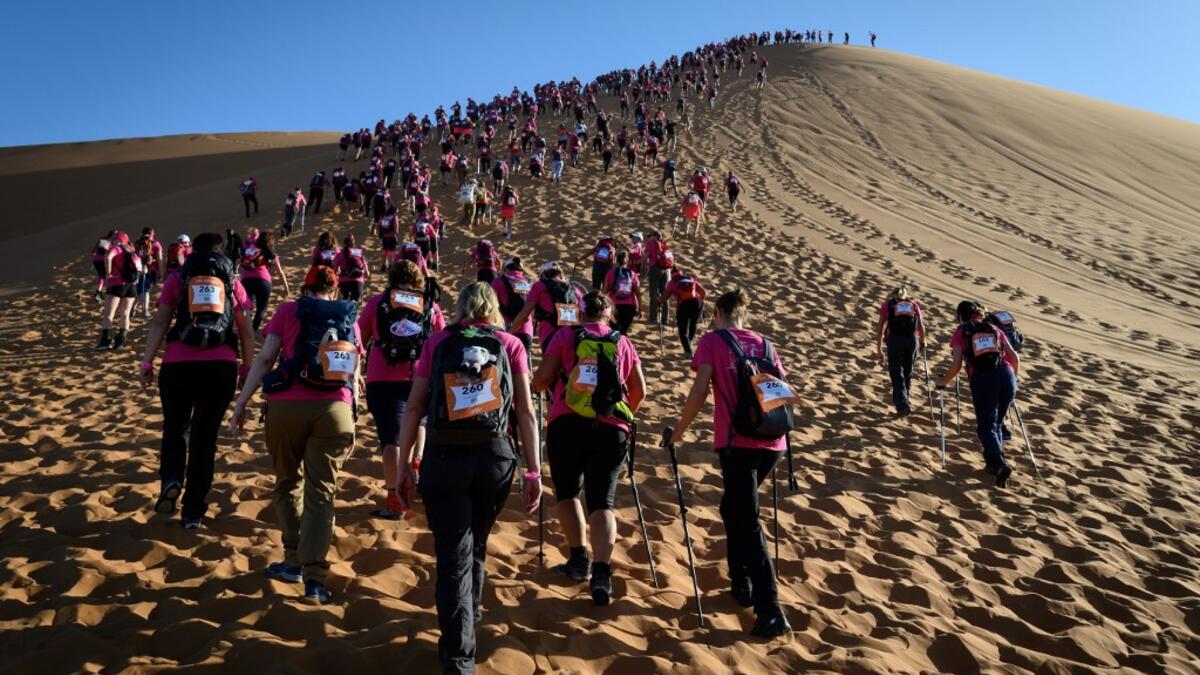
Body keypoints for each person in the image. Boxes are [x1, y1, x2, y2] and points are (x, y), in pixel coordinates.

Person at [392, 282, 541, 674]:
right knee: (475, 540)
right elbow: (525, 413)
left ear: (460, 308)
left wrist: (404, 465)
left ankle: (459, 655)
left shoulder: (439, 343)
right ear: (492, 309)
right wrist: (533, 468)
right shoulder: (511, 345)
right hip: (494, 457)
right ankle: (469, 616)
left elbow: (414, 408)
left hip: (444, 456)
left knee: (453, 554)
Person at [664, 289, 794, 638]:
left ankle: (769, 607)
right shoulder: (766, 345)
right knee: (732, 507)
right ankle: (741, 582)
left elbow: (700, 389)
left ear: (719, 311)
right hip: (773, 441)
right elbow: (781, 392)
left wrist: (679, 431)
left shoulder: (712, 340)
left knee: (748, 519)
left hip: (737, 443)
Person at [230, 265, 364, 604]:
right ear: (335, 290)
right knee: (322, 494)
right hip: (335, 411)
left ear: (305, 288)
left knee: (288, 482)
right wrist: (354, 414)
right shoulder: (348, 316)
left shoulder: (289, 310)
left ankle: (292, 561)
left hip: (286, 408)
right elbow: (354, 370)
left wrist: (242, 401)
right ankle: (315, 579)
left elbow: (264, 358)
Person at [532, 292, 645, 605]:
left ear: (580, 314)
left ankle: (578, 559)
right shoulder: (623, 342)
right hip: (612, 430)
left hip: (567, 424)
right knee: (602, 501)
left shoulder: (565, 336)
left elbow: (542, 380)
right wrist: (621, 414)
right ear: (608, 314)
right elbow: (639, 391)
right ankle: (602, 572)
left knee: (568, 493)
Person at [139, 232, 255, 528]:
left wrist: (147, 361)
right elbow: (245, 331)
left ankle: (172, 479)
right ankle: (193, 513)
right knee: (205, 439)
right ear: (222, 254)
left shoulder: (178, 280)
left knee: (175, 427)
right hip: (221, 365)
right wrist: (247, 369)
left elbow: (161, 321)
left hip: (178, 363)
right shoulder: (233, 284)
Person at [358, 260, 445, 518]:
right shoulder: (430, 304)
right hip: (421, 375)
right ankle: (415, 468)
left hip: (382, 376)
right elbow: (440, 340)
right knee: (419, 421)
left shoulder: (377, 302)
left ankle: (395, 501)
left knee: (390, 438)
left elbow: (360, 338)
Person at [936, 301, 1020, 487]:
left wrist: (943, 382)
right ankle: (993, 463)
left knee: (986, 426)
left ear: (960, 316)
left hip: (983, 380)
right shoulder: (993, 327)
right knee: (997, 422)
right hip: (1007, 376)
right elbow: (1014, 357)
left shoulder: (961, 332)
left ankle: (998, 464)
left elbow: (956, 365)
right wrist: (1014, 379)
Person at [873, 288, 926, 417]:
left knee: (896, 372)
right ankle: (905, 401)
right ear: (905, 295)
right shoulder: (913, 304)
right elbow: (921, 326)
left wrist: (879, 349)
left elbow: (880, 329)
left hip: (895, 339)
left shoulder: (887, 305)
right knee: (908, 371)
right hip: (912, 339)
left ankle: (902, 404)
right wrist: (923, 342)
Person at [510, 262, 585, 350]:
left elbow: (525, 313)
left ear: (543, 274)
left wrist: (510, 331)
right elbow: (584, 316)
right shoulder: (574, 290)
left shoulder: (539, 286)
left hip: (550, 335)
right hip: (573, 337)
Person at [96, 231, 140, 351]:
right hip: (132, 287)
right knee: (125, 314)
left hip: (116, 285)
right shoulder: (131, 250)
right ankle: (120, 341)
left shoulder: (117, 249)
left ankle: (106, 341)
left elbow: (107, 257)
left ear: (119, 240)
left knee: (109, 314)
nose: (113, 241)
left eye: (115, 239)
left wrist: (109, 273)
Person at [239, 231, 290, 335]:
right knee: (261, 308)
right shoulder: (272, 255)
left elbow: (240, 262)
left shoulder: (251, 250)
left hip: (247, 279)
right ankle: (254, 329)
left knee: (248, 305)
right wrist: (286, 287)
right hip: (264, 281)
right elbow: (280, 273)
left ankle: (246, 327)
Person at [492, 257, 534, 357]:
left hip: (506, 329)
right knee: (524, 365)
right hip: (526, 329)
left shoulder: (498, 281)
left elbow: (490, 302)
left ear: (506, 268)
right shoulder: (529, 283)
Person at [664, 268, 707, 356]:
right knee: (693, 323)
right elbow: (703, 292)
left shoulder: (672, 282)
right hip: (696, 302)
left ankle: (688, 351)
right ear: (681, 273)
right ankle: (690, 342)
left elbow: (665, 297)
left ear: (672, 274)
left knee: (682, 330)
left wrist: (659, 299)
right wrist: (701, 303)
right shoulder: (690, 279)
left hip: (683, 305)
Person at [601, 251, 641, 334]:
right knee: (623, 331)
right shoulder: (632, 274)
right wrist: (639, 308)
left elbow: (605, 291)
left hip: (614, 305)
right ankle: (623, 345)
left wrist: (602, 306)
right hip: (629, 307)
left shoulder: (610, 273)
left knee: (613, 331)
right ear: (627, 262)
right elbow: (637, 293)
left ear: (616, 261)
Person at [644, 230, 674, 328]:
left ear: (655, 236)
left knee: (653, 293)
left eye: (650, 236)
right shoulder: (664, 245)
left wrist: (638, 261)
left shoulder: (651, 244)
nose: (649, 238)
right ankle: (665, 319)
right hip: (666, 270)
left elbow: (646, 256)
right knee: (665, 293)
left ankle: (653, 318)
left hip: (655, 269)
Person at [134, 227, 165, 318]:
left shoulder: (137, 243)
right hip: (151, 270)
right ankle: (145, 310)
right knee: (146, 290)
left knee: (140, 290)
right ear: (152, 234)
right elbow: (160, 259)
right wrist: (161, 272)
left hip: (138, 269)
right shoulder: (156, 244)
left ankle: (133, 309)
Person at [333, 235, 370, 302]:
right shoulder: (359, 252)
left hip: (344, 280)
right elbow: (367, 272)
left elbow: (334, 270)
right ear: (353, 243)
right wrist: (366, 273)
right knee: (354, 303)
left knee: (344, 300)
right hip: (358, 280)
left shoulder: (340, 254)